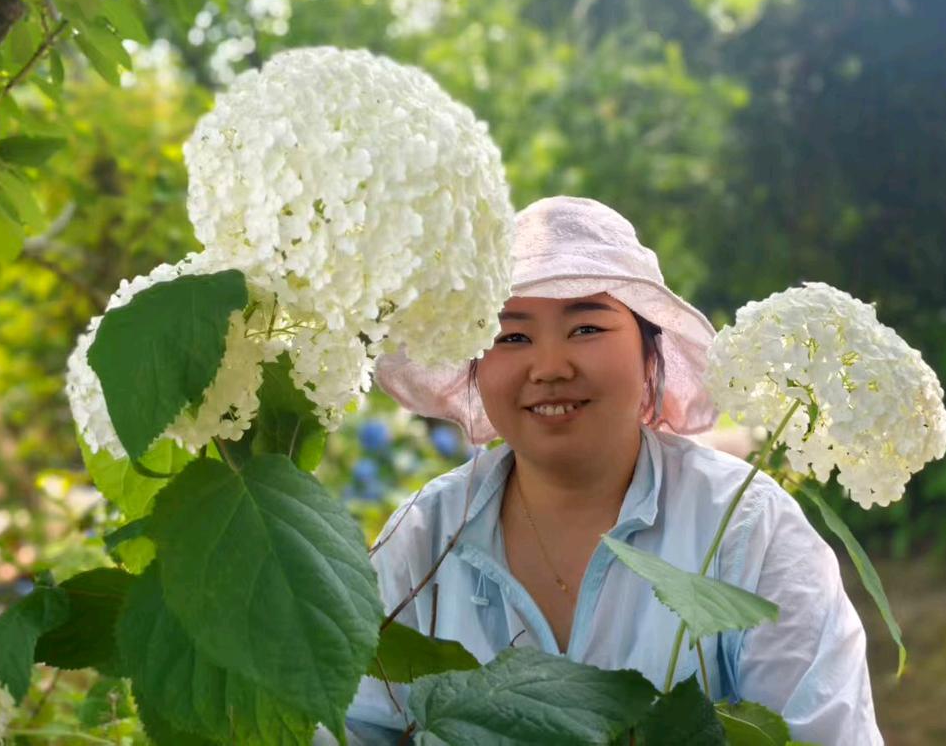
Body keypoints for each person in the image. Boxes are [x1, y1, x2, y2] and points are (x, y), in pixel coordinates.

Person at [343, 197, 882, 745]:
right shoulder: (423, 537)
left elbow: (822, 732)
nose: (550, 367)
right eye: (511, 337)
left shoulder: (748, 527)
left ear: (651, 355)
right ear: (476, 370)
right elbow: (348, 726)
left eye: (586, 329)